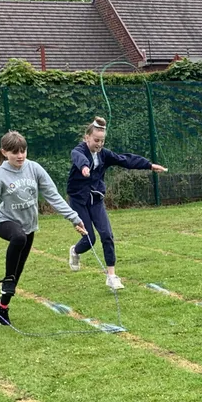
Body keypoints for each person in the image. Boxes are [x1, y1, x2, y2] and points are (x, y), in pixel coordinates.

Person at [0, 131, 86, 326]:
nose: (20, 156)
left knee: (18, 269)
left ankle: (1, 306)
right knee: (18, 238)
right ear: (4, 152)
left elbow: (53, 196)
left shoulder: (34, 169)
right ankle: (7, 279)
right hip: (5, 223)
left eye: (23, 151)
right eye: (15, 152)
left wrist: (75, 219)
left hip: (29, 227)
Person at [67, 117, 167, 289]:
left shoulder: (104, 154)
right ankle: (75, 251)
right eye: (96, 140)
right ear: (87, 138)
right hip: (78, 200)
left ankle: (112, 276)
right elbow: (77, 157)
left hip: (96, 199)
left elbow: (125, 160)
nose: (99, 144)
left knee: (107, 235)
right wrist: (84, 167)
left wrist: (149, 165)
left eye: (102, 141)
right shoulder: (79, 151)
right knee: (89, 238)